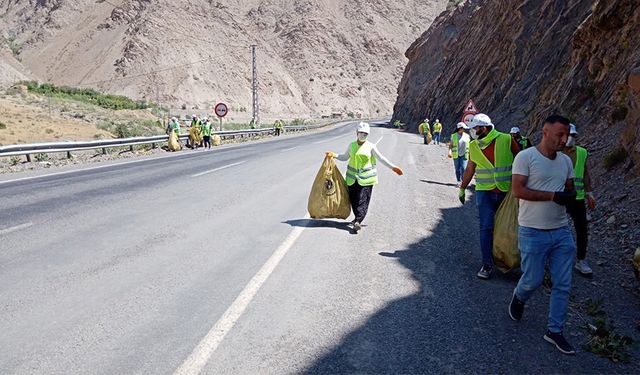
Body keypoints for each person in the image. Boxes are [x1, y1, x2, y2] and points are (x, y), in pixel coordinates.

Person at [508, 114, 577, 355]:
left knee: (563, 283)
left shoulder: (566, 162)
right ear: (545, 132)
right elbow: (518, 190)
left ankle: (554, 330)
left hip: (561, 231)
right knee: (532, 280)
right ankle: (519, 296)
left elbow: (569, 189)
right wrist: (552, 196)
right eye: (560, 134)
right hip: (532, 231)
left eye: (566, 135)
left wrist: (574, 198)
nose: (564, 139)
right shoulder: (525, 158)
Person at [458, 113, 520, 279]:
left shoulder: (506, 139)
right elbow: (470, 168)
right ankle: (487, 265)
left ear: (484, 129)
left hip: (506, 193)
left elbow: (521, 158)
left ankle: (508, 260)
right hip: (484, 193)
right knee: (486, 228)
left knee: (507, 227)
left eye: (475, 129)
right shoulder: (474, 146)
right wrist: (462, 188)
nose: (472, 132)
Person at [326, 122, 404, 233]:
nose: (363, 135)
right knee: (353, 200)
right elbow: (345, 157)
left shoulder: (371, 146)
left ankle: (358, 221)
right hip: (352, 179)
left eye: (365, 134)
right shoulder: (352, 145)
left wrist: (393, 168)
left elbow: (381, 158)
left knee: (362, 200)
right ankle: (357, 218)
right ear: (356, 132)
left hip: (367, 179)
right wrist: (334, 155)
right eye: (361, 133)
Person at [564, 123, 596, 275]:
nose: (571, 138)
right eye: (569, 135)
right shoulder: (554, 152)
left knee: (582, 229)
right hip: (558, 197)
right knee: (553, 228)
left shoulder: (582, 152)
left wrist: (590, 193)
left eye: (573, 135)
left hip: (577, 198)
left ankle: (581, 259)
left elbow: (585, 174)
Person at [448, 122, 470, 187]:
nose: (464, 130)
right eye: (463, 128)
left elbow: (470, 145)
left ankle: (463, 181)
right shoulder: (454, 136)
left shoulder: (467, 136)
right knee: (457, 169)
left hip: (464, 154)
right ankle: (458, 181)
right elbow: (451, 145)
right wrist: (449, 151)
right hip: (456, 155)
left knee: (464, 168)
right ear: (459, 128)